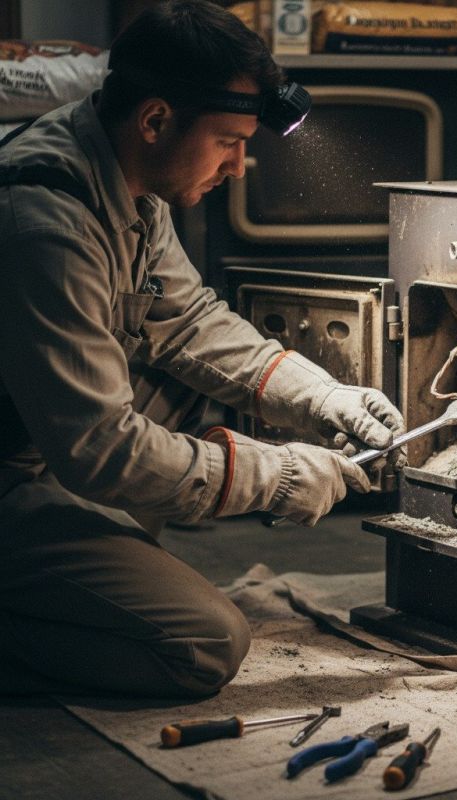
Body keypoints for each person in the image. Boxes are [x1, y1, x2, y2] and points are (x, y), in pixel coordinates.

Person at [0, 0, 403, 698]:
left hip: (33, 441)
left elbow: (191, 325)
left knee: (190, 385)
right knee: (204, 644)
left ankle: (92, 572)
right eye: (228, 141)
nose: (240, 166)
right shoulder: (45, 222)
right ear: (155, 120)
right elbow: (100, 449)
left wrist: (322, 397)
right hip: (14, 470)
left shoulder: (128, 185)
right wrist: (272, 478)